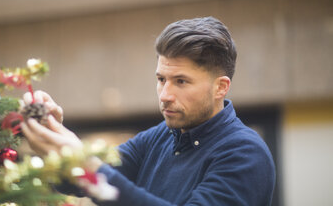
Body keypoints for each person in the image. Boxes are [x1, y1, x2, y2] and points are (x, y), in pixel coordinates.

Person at [21, 16, 276, 206]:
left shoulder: (245, 152)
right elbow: (74, 183)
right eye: (161, 79)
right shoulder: (159, 136)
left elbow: (99, 174)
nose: (165, 95)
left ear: (220, 87)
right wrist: (52, 133)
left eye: (181, 81)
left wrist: (88, 163)